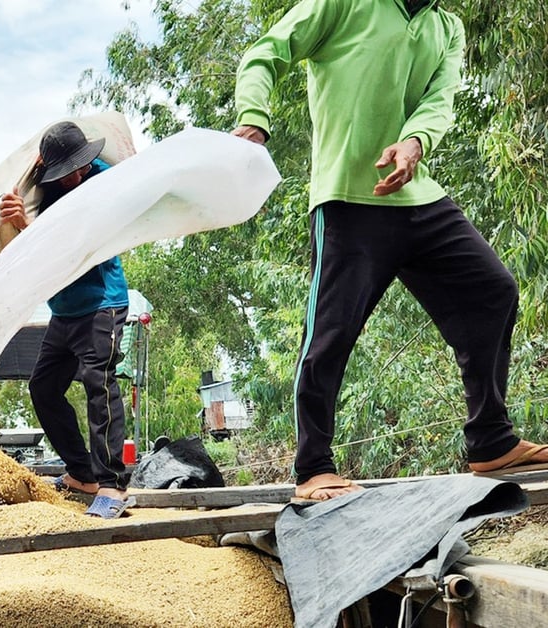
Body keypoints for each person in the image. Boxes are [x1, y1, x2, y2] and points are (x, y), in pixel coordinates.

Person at [232, 0, 548, 501]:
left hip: (417, 196)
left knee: (493, 290)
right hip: (346, 202)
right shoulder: (345, 4)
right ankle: (313, 467)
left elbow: (439, 100)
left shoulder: (447, 26)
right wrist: (254, 117)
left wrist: (414, 142)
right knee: (330, 332)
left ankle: (491, 440)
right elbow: (265, 53)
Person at [0, 120, 132, 519]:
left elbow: (76, 245)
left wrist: (26, 225)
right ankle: (82, 472)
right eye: (63, 170)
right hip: (65, 308)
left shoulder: (104, 184)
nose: (72, 176)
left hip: (102, 303)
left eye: (77, 166)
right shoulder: (49, 187)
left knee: (99, 384)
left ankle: (112, 485)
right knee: (43, 387)